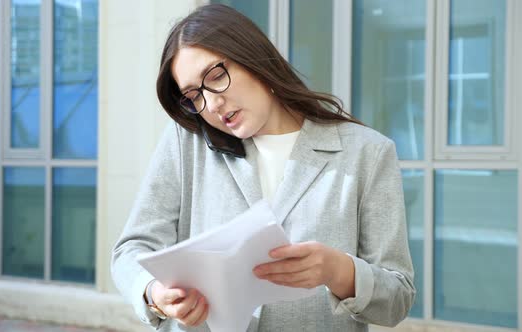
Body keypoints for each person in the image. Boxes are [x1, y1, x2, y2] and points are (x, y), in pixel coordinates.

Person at [111, 4, 415, 331]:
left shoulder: (367, 152)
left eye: (215, 76)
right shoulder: (187, 144)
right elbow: (130, 251)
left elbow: (397, 298)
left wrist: (338, 271)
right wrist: (154, 292)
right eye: (193, 95)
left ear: (254, 59)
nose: (211, 104)